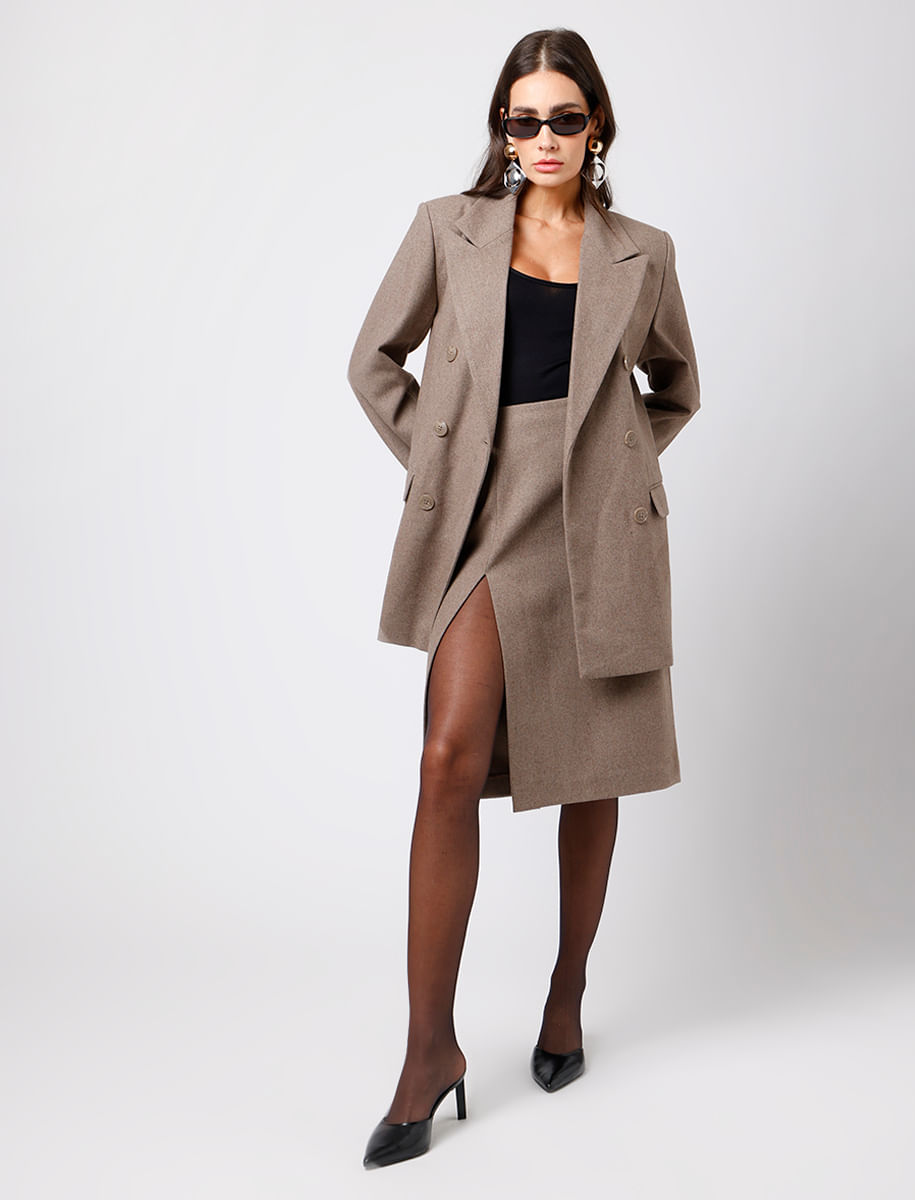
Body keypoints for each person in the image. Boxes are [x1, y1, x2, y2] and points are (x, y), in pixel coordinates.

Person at [347, 27, 700, 1169]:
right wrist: (445, 463)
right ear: (501, 129)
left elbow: (677, 387)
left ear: (597, 127)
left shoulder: (643, 252)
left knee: (593, 766)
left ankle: (566, 992)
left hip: (595, 529)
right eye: (521, 120)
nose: (542, 139)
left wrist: (615, 474)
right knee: (448, 757)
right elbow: (374, 362)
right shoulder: (446, 229)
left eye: (563, 119)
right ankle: (427, 1050)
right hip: (485, 520)